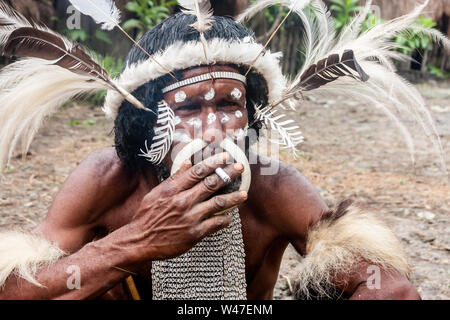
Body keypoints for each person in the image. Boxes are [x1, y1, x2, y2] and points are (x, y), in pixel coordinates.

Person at [2, 0, 444, 300]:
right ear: (146, 118)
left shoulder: (273, 186)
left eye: (229, 105)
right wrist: (137, 243)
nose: (213, 128)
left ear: (250, 115)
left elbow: (391, 290)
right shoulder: (107, 179)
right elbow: (14, 291)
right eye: (189, 107)